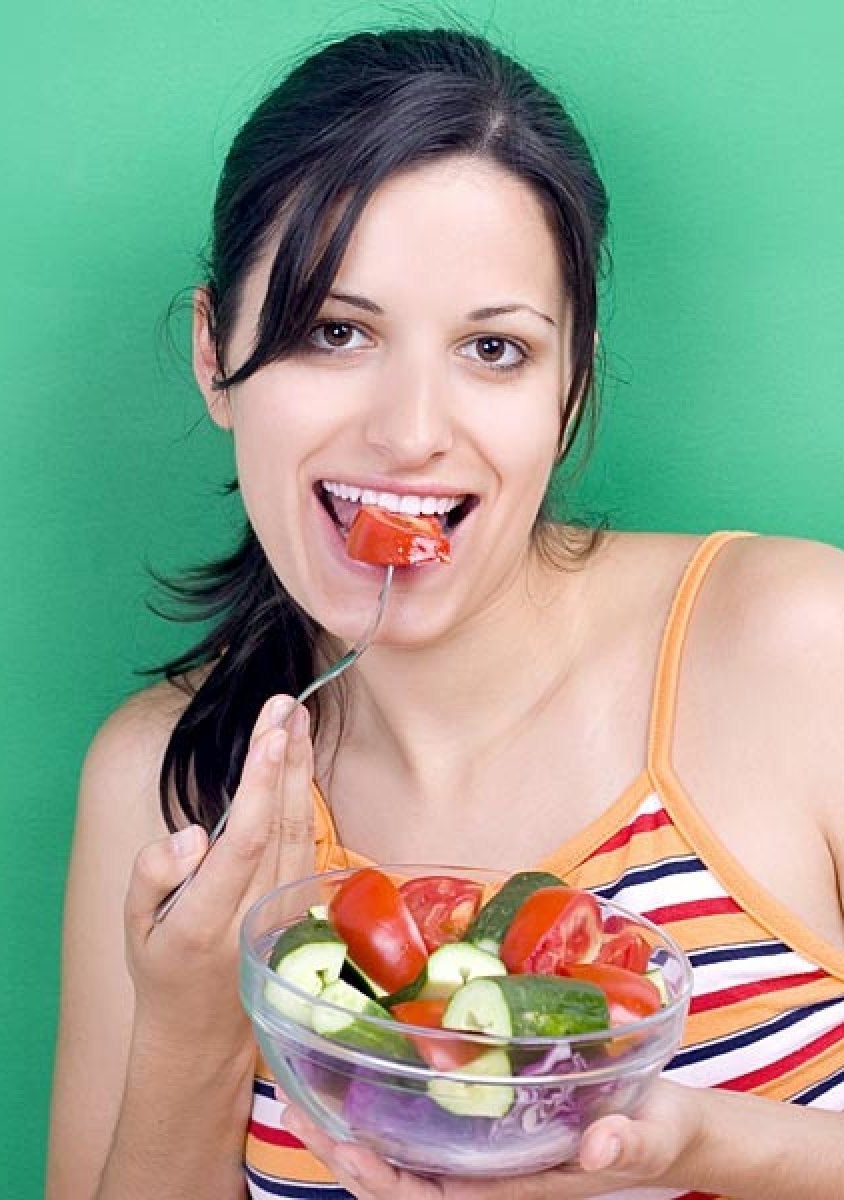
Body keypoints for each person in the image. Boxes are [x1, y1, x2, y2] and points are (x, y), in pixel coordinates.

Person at [45, 26, 844, 1200]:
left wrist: (706, 1144)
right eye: (336, 330)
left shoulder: (802, 646)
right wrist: (191, 1023)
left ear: (569, 392)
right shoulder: (165, 786)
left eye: (493, 348)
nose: (412, 429)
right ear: (217, 358)